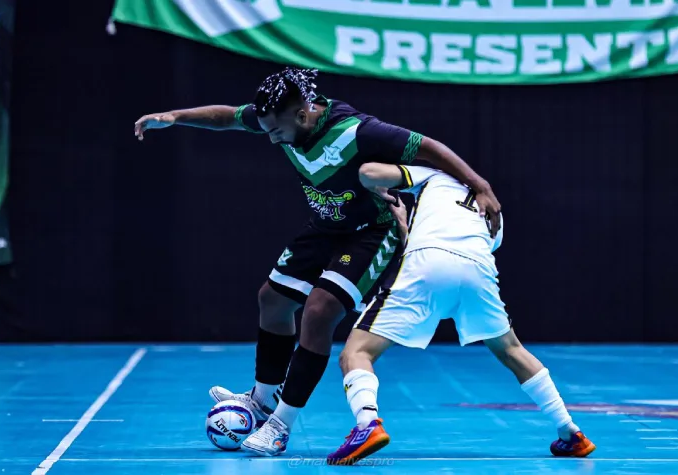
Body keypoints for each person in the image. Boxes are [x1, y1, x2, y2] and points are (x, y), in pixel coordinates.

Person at [134, 67, 502, 456]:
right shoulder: (277, 117)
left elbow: (429, 147)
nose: (271, 137)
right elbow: (227, 117)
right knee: (272, 300)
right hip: (325, 227)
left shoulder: (357, 131)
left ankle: (280, 426)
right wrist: (174, 117)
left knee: (319, 311)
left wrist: (481, 186)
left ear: (302, 115)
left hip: (371, 233)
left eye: (276, 130)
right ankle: (261, 401)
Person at [326, 163, 596, 465]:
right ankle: (570, 430)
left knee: (356, 352)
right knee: (511, 350)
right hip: (478, 269)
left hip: (427, 261)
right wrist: (406, 226)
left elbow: (368, 172)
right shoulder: (494, 211)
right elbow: (467, 249)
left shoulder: (434, 175)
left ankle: (367, 424)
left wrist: (379, 189)